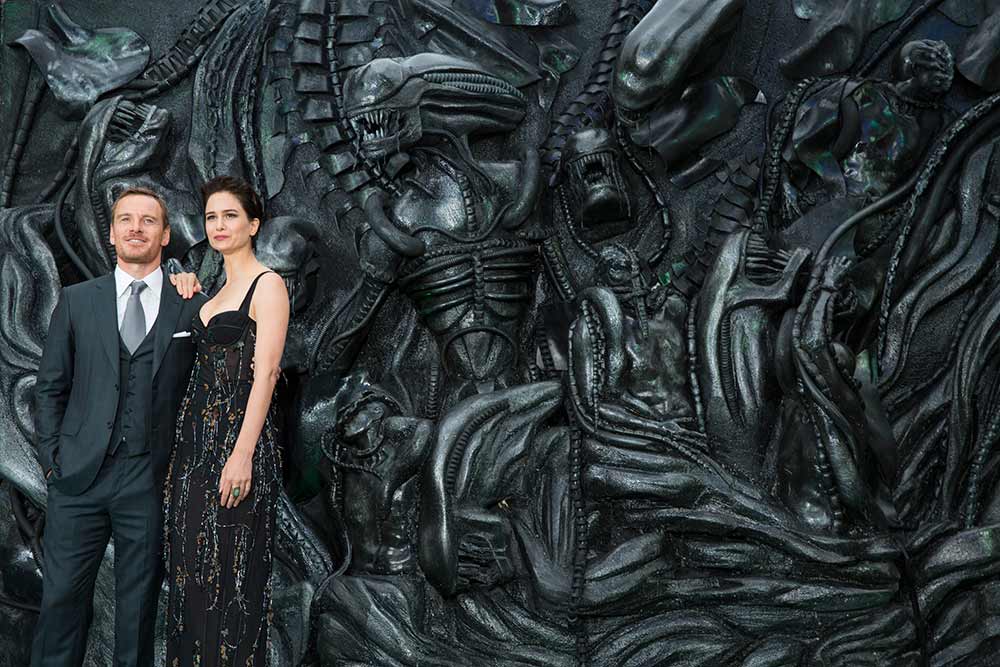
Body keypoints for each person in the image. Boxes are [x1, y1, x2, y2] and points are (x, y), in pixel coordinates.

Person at [31, 186, 205, 667]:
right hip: (77, 478)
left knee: (138, 612)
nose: (135, 228)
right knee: (60, 604)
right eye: (125, 219)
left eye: (148, 220)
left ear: (165, 235)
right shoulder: (76, 300)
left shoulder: (190, 304)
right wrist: (52, 461)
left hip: (148, 479)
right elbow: (50, 387)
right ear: (111, 233)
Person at [163, 175, 289, 666]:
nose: (218, 224)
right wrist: (183, 286)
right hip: (193, 454)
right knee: (191, 583)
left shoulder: (268, 284)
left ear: (253, 225)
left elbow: (268, 373)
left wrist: (242, 456)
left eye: (230, 215)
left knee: (232, 587)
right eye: (212, 216)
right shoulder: (211, 289)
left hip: (236, 453)